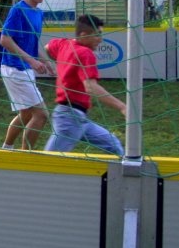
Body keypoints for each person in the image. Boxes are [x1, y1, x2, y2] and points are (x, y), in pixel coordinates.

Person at [43, 14, 126, 155]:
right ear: (83, 35)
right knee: (50, 161)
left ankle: (125, 169)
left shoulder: (63, 44)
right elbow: (91, 87)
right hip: (69, 119)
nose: (100, 39)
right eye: (97, 35)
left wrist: (61, 63)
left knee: (114, 145)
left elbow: (47, 47)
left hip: (79, 118)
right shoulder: (85, 53)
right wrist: (122, 107)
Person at [0, 0, 54, 150]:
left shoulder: (39, 13)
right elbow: (4, 40)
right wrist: (31, 61)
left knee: (26, 114)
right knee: (41, 114)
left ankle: (7, 148)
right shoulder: (18, 10)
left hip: (25, 68)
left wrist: (46, 62)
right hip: (14, 68)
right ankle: (25, 156)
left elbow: (33, 43)